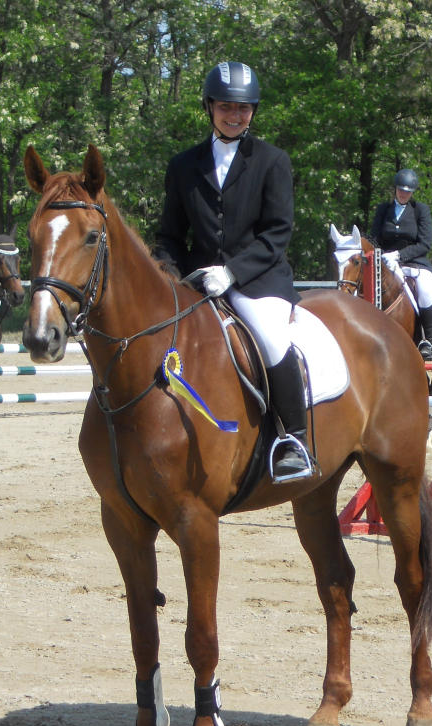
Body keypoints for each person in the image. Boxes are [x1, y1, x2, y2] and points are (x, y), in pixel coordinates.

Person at [153, 61, 313, 480]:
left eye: (243, 108)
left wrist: (233, 273)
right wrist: (169, 275)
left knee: (271, 339)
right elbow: (170, 234)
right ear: (209, 107)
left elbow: (277, 233)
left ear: (253, 111)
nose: (235, 115)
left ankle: (293, 440)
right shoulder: (183, 165)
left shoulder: (272, 161)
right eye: (226, 106)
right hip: (197, 282)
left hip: (258, 280)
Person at [370, 168, 432, 360]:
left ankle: (428, 341)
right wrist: (382, 256)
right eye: (401, 190)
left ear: (412, 192)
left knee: (425, 289)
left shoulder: (420, 210)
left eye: (408, 192)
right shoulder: (383, 210)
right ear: (395, 189)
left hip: (415, 262)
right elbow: (374, 238)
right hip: (385, 263)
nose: (403, 194)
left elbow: (425, 243)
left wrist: (399, 256)